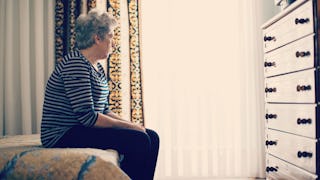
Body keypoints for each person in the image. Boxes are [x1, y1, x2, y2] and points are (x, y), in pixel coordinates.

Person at [41, 9, 159, 180]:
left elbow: (104, 110)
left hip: (81, 128)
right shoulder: (76, 64)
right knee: (139, 140)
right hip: (63, 134)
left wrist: (132, 124)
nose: (113, 43)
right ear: (97, 38)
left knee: (151, 137)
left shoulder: (96, 67)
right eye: (111, 36)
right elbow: (88, 117)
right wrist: (130, 128)